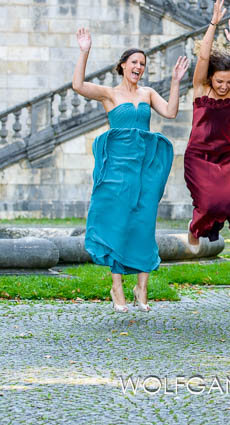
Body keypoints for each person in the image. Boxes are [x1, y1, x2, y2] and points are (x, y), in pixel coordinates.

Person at [72, 28, 190, 313]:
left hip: (145, 168)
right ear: (123, 65)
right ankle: (117, 286)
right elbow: (77, 85)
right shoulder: (109, 94)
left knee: (144, 222)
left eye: (142, 64)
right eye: (134, 62)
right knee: (119, 222)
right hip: (118, 168)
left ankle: (142, 286)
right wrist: (84, 51)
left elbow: (171, 112)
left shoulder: (148, 93)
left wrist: (175, 82)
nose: (138, 67)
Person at [184, 0, 230, 245]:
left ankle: (214, 227)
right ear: (211, 78)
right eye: (219, 81)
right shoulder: (201, 90)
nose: (224, 86)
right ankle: (195, 228)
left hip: (226, 155)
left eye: (228, 82)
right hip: (199, 155)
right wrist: (213, 23)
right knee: (209, 200)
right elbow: (202, 59)